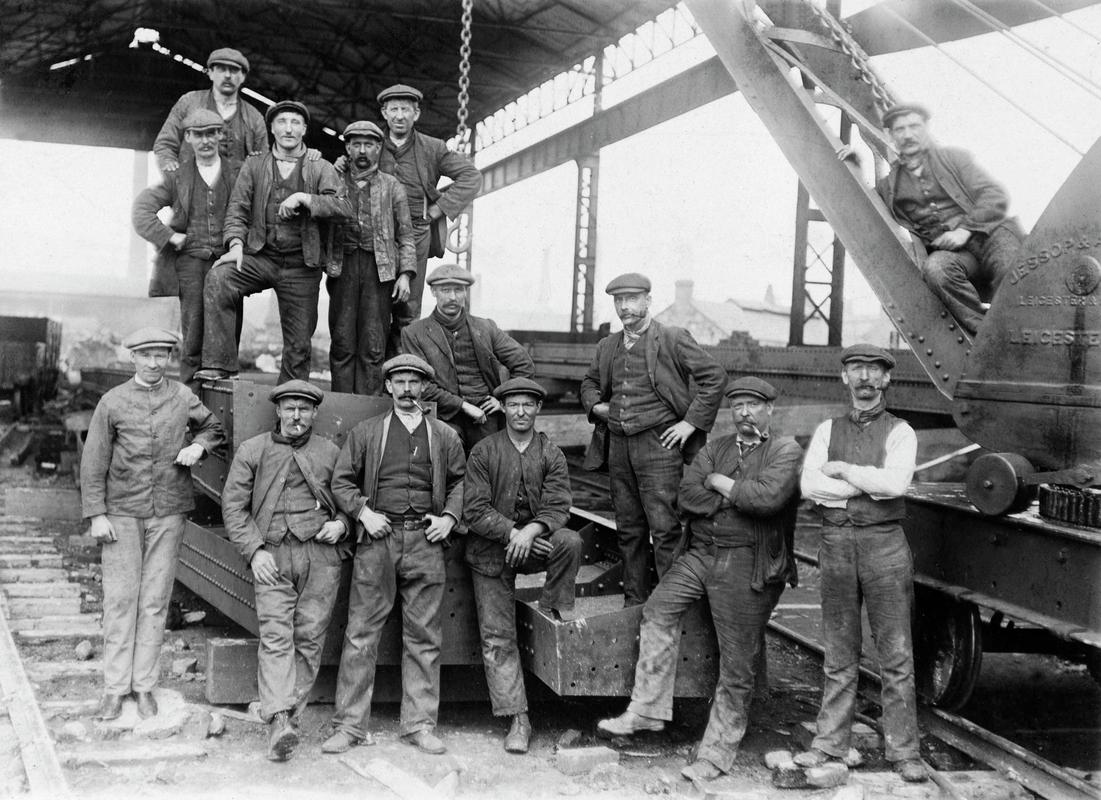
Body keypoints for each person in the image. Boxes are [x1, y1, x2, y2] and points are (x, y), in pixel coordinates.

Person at [597, 377, 802, 782]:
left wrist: (719, 483)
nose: (744, 413)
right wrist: (734, 494)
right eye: (738, 405)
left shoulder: (785, 450)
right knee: (657, 610)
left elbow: (767, 500)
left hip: (747, 560)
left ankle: (716, 753)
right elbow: (686, 496)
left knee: (737, 661)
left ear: (769, 410)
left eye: (753, 405)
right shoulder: (715, 448)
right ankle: (647, 710)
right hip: (701, 553)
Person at [795, 344, 927, 783]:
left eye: (874, 370)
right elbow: (810, 486)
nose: (865, 377)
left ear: (887, 379)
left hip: (884, 545)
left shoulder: (901, 431)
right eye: (856, 369)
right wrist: (864, 484)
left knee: (896, 652)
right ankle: (829, 743)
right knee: (838, 649)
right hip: (835, 544)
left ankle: (904, 752)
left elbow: (895, 485)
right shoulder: (827, 429)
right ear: (844, 377)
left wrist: (846, 471)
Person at [322, 354, 465, 756]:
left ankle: (419, 725)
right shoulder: (367, 432)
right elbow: (342, 481)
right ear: (388, 387)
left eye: (413, 382)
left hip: (425, 542)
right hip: (378, 543)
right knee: (361, 633)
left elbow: (461, 482)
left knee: (424, 636)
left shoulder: (445, 436)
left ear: (423, 387)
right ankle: (349, 726)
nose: (406, 389)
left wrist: (450, 518)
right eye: (398, 382)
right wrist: (363, 513)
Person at [79, 328, 225, 721]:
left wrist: (198, 447)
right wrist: (96, 515)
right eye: (146, 355)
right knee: (120, 599)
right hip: (121, 513)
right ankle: (115, 689)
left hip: (168, 512)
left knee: (155, 600)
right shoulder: (112, 402)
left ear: (169, 358)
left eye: (161, 355)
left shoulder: (182, 396)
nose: (154, 363)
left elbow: (214, 428)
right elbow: (93, 461)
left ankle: (144, 686)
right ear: (133, 358)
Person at [579, 272, 727, 606]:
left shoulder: (673, 338)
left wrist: (690, 424)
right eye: (619, 300)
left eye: (632, 299)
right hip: (619, 446)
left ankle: (667, 606)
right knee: (628, 528)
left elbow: (714, 377)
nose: (625, 307)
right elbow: (589, 383)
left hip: (659, 446)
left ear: (648, 300)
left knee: (664, 529)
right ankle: (634, 602)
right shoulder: (607, 346)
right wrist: (597, 406)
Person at [221, 380, 349, 761]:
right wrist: (254, 551)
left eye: (304, 409)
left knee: (310, 639)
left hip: (320, 558)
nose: (296, 416)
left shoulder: (330, 452)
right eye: (289, 408)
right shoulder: (253, 450)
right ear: (277, 411)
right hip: (272, 558)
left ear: (314, 413)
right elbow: (234, 507)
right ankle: (279, 720)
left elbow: (351, 499)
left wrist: (341, 524)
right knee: (277, 637)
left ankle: (286, 717)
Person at [463, 377, 582, 754]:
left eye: (528, 404)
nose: (520, 411)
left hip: (533, 545)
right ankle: (518, 718)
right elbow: (474, 510)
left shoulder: (551, 453)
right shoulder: (484, 451)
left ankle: (550, 608)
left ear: (538, 409)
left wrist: (530, 531)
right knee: (497, 635)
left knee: (569, 541)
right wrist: (512, 533)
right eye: (513, 404)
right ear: (503, 408)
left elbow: (559, 506)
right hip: (491, 552)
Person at [196, 100, 350, 383]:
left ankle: (292, 398)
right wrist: (235, 245)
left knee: (299, 344)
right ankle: (220, 365)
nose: (288, 129)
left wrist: (306, 198)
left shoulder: (320, 167)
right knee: (219, 278)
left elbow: (343, 208)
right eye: (282, 122)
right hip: (261, 257)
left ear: (304, 129)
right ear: (272, 129)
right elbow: (237, 208)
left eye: (295, 123)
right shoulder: (255, 164)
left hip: (302, 265)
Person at [876, 103, 1023, 336]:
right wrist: (855, 164)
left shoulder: (955, 159)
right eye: (900, 129)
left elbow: (994, 194)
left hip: (990, 235)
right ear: (890, 135)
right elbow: (868, 200)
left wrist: (964, 230)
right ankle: (987, 334)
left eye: (914, 126)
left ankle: (1016, 329)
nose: (908, 134)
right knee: (936, 269)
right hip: (956, 254)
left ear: (926, 129)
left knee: (1013, 270)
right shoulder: (889, 186)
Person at [133, 109, 238, 390]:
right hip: (190, 264)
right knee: (193, 334)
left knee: (229, 332)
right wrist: (169, 236)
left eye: (211, 133)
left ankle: (223, 399)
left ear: (220, 135)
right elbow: (141, 211)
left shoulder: (237, 173)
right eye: (198, 135)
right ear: (188, 137)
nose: (206, 141)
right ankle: (191, 400)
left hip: (226, 262)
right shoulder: (177, 176)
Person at [375, 84, 483, 345]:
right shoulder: (371, 143)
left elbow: (471, 177)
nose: (399, 115)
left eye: (405, 110)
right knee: (374, 308)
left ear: (416, 114)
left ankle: (403, 364)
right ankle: (375, 368)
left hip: (416, 232)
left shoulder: (433, 147)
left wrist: (438, 210)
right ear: (384, 113)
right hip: (376, 234)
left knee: (408, 308)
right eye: (394, 109)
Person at [400, 263, 535, 453]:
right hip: (442, 415)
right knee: (446, 460)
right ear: (433, 292)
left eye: (458, 290)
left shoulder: (485, 328)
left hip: (486, 415)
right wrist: (463, 405)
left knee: (490, 462)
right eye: (445, 290)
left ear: (465, 292)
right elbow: (421, 385)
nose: (452, 297)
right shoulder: (414, 333)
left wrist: (503, 401)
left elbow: (523, 364)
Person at [328, 120, 416, 394]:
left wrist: (405, 274)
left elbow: (406, 235)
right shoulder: (333, 182)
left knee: (373, 344)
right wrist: (333, 171)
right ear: (347, 148)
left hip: (380, 272)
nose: (363, 150)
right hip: (342, 268)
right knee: (342, 342)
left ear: (379, 148)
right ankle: (342, 406)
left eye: (369, 144)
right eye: (356, 144)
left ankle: (369, 409)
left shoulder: (392, 186)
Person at [153, 47, 267, 172]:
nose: (227, 75)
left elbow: (264, 161)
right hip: (192, 181)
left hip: (237, 183)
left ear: (243, 77)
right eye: (221, 69)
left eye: (234, 70)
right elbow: (165, 143)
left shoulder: (254, 117)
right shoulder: (189, 102)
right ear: (211, 73)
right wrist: (169, 163)